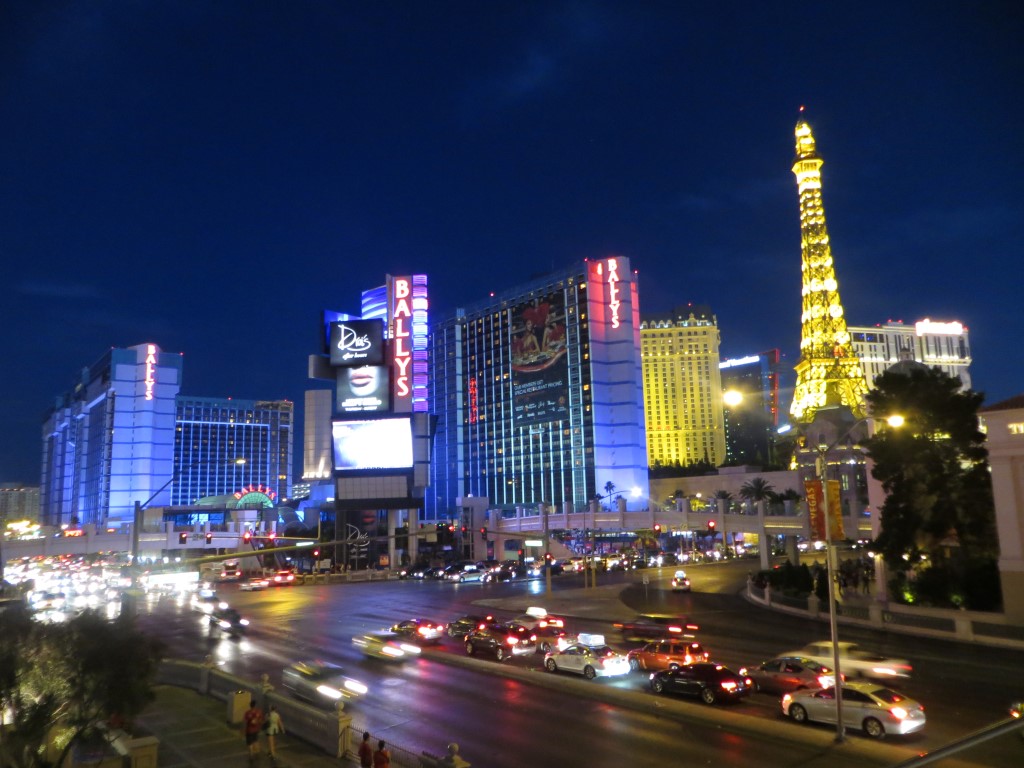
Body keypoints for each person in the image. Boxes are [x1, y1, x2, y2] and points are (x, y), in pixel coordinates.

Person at [243, 700, 264, 765]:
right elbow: (261, 721)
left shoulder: (247, 713)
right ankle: (257, 753)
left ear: (250, 705)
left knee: (250, 744)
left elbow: (245, 722)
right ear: (255, 705)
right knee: (255, 741)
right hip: (256, 730)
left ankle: (251, 755)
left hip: (249, 730)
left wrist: (243, 730)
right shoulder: (259, 712)